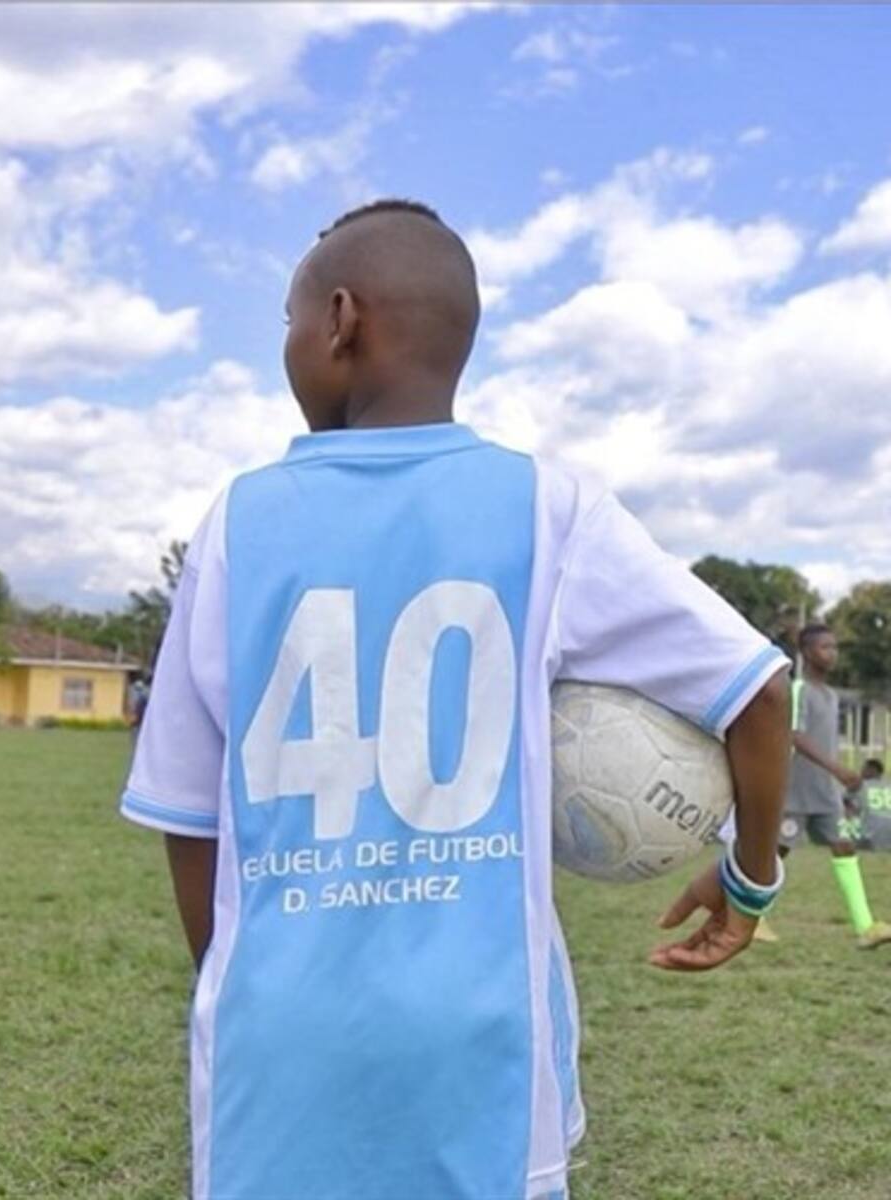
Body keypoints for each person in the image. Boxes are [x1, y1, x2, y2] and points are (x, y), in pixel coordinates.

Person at [120, 200, 790, 1200]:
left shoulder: (238, 521)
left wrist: (253, 988)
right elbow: (757, 688)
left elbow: (188, 817)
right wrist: (749, 880)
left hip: (283, 1045)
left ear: (342, 320)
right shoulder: (549, 509)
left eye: (289, 322)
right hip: (487, 1047)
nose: (290, 346)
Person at [773, 625, 891, 948]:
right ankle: (746, 919)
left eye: (835, 647)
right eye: (825, 647)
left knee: (844, 847)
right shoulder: (798, 689)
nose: (833, 653)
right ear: (807, 652)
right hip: (796, 791)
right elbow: (795, 735)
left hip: (826, 795)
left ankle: (866, 927)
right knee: (777, 854)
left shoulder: (831, 695)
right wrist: (837, 768)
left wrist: (838, 776)